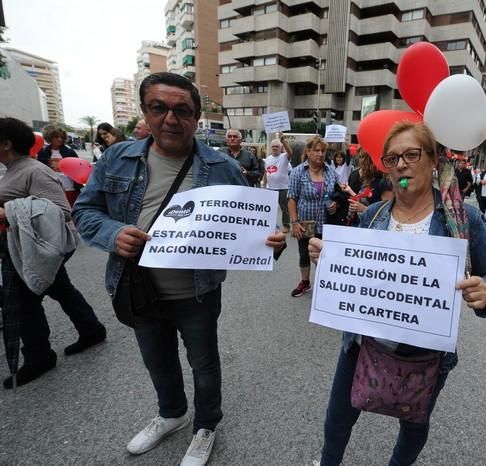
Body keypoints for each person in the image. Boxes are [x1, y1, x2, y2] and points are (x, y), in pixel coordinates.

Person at [72, 72, 286, 465]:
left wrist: (270, 243)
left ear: (196, 117)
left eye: (182, 111)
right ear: (145, 112)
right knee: (157, 360)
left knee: (204, 363)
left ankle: (205, 426)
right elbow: (84, 211)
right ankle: (171, 414)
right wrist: (113, 233)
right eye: (159, 108)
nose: (170, 119)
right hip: (138, 286)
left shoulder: (222, 166)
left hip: (197, 292)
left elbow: (249, 228)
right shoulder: (118, 158)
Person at [308, 121, 486, 466]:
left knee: (413, 426)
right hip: (361, 345)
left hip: (424, 356)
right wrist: (328, 258)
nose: (401, 165)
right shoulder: (372, 216)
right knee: (338, 419)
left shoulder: (463, 220)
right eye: (392, 159)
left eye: (412, 155)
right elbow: (357, 269)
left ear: (433, 161)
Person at [0, 117, 106, 389]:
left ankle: (38, 356)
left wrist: (8, 212)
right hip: (24, 246)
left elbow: (60, 211)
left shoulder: (34, 171)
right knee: (60, 288)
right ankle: (91, 329)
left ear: (7, 143)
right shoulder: (13, 169)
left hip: (40, 247)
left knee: (26, 300)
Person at [287, 136, 339, 298]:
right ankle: (305, 282)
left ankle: (325, 284)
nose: (320, 154)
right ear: (308, 152)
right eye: (316, 150)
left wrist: (336, 203)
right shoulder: (297, 172)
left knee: (324, 254)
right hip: (305, 222)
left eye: (323, 151)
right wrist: (294, 222)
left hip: (327, 222)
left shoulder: (331, 172)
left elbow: (338, 194)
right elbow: (292, 198)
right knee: (304, 254)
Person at [346, 149, 393, 218]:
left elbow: (386, 213)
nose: (360, 161)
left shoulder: (384, 180)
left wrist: (363, 209)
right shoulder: (365, 178)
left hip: (374, 227)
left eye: (362, 157)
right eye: (359, 157)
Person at [265, 134, 293, 233]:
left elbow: (290, 152)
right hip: (270, 188)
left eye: (277, 146)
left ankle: (286, 225)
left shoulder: (284, 156)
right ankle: (270, 225)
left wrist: (283, 141)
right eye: (273, 146)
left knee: (284, 208)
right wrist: (265, 184)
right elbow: (266, 172)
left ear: (281, 148)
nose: (275, 148)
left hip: (283, 187)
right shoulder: (268, 159)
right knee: (270, 209)